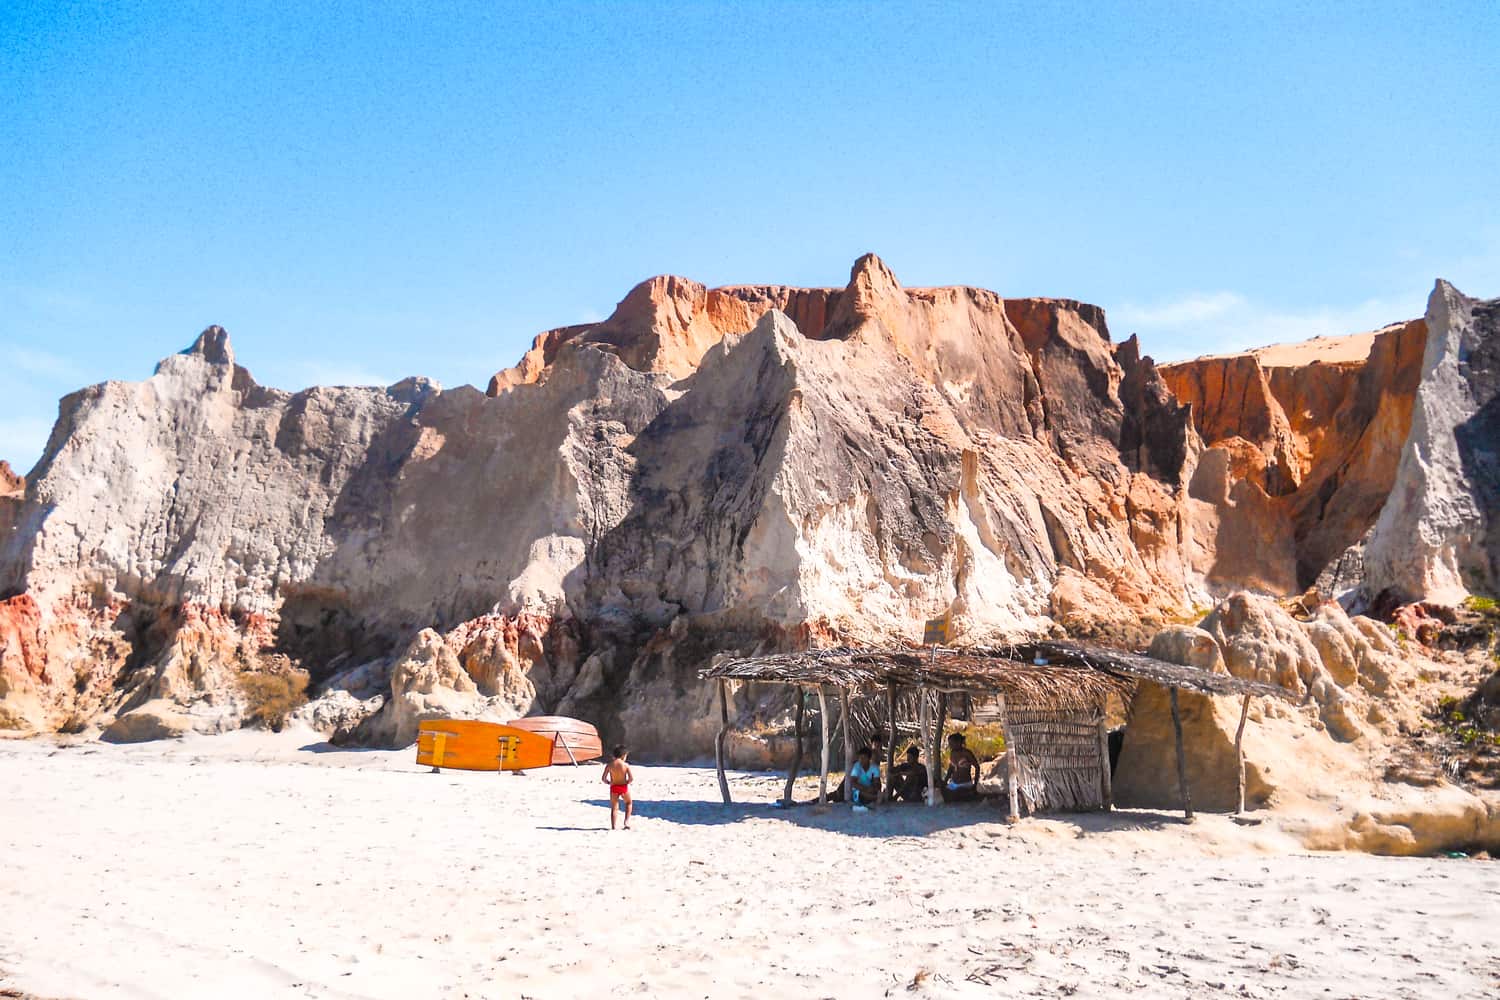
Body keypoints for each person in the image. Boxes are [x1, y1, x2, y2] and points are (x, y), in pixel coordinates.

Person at [828, 731, 886, 802]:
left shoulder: (877, 754)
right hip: (859, 777)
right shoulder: (869, 754)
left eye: (879, 745)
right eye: (875, 745)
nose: (877, 747)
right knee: (839, 794)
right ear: (872, 744)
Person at [601, 744, 634, 830]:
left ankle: (614, 826)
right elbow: (631, 778)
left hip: (614, 787)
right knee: (629, 803)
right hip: (623, 787)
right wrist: (626, 782)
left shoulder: (609, 765)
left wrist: (609, 782)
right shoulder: (626, 765)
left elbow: (603, 778)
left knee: (614, 807)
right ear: (623, 755)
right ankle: (626, 821)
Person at [942, 732, 980, 802]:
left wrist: (975, 784)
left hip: (965, 783)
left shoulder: (967, 753)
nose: (950, 746)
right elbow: (951, 769)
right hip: (953, 783)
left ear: (958, 742)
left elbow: (977, 767)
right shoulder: (952, 753)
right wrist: (945, 782)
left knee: (956, 796)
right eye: (949, 744)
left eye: (951, 743)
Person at [847, 745, 882, 812]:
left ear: (869, 758)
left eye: (863, 758)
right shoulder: (856, 766)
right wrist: (865, 788)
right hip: (859, 791)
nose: (861, 760)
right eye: (860, 758)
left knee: (874, 790)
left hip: (870, 790)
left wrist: (872, 787)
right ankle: (876, 798)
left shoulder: (874, 768)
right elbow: (853, 783)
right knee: (860, 794)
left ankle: (875, 798)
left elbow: (877, 783)